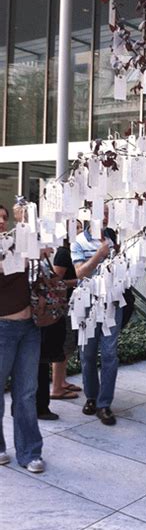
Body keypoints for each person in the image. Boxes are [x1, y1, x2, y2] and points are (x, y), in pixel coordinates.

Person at [0, 203, 45, 473]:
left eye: (4, 218)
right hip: (2, 328)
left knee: (27, 393)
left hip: (30, 326)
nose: (2, 222)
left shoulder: (14, 244)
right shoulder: (13, 251)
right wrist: (26, 257)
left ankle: (30, 452)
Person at [71, 210, 122, 426]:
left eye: (107, 214)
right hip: (87, 302)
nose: (105, 218)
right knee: (88, 352)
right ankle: (91, 396)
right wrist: (99, 255)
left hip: (112, 301)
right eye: (101, 213)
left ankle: (104, 403)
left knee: (110, 353)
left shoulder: (115, 237)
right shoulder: (79, 242)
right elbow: (79, 273)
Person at [36, 237, 80, 421]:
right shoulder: (61, 254)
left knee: (45, 359)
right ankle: (43, 402)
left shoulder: (46, 259)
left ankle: (46, 399)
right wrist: (77, 281)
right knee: (44, 358)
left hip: (45, 314)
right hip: (45, 315)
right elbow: (54, 282)